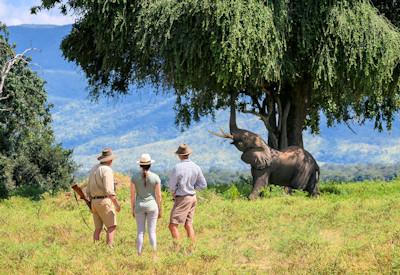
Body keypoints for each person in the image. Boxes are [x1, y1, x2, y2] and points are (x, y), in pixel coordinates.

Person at [168, 144, 207, 252]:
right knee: (188, 224)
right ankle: (191, 249)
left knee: (173, 225)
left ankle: (177, 250)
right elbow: (203, 184)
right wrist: (192, 188)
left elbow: (171, 185)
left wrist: (175, 192)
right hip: (192, 197)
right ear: (188, 154)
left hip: (182, 197)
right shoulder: (196, 167)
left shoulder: (177, 167)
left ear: (179, 155)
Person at [86, 148, 121, 247]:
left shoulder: (94, 168)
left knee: (98, 229)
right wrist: (117, 204)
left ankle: (96, 248)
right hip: (104, 201)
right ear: (110, 160)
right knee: (112, 226)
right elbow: (110, 191)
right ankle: (109, 248)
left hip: (94, 202)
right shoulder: (107, 170)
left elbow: (88, 189)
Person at [130, 153, 162, 256]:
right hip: (152, 206)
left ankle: (139, 254)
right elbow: (158, 196)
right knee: (152, 232)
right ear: (150, 165)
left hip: (139, 206)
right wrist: (160, 209)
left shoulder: (134, 178)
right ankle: (154, 254)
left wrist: (133, 208)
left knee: (140, 232)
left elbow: (132, 196)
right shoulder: (156, 177)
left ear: (140, 165)